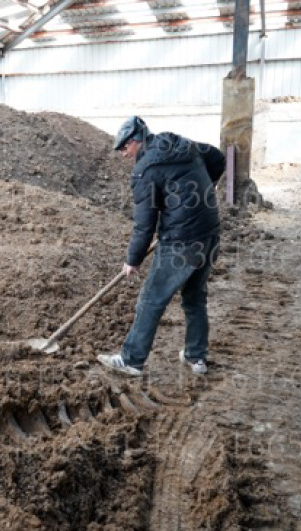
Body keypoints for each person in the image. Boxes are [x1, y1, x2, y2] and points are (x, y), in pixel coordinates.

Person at [97, 116, 225, 376]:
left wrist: (133, 260)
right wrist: (198, 194)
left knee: (150, 300)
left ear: (136, 140)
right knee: (195, 297)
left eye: (124, 147)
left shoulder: (144, 170)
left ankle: (132, 360)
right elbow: (218, 158)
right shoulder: (180, 143)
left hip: (181, 242)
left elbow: (144, 225)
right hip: (209, 232)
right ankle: (196, 357)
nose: (123, 154)